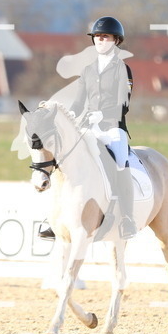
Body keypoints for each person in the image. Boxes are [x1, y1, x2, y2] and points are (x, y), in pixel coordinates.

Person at [38, 16, 136, 240]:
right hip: (88, 126)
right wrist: (71, 116)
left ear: (116, 40)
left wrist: (104, 114)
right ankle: (55, 219)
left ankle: (128, 218)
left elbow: (125, 102)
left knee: (120, 162)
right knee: (65, 160)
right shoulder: (88, 71)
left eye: (106, 37)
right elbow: (79, 102)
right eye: (98, 37)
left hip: (113, 128)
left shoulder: (123, 69)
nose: (101, 40)